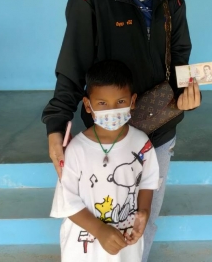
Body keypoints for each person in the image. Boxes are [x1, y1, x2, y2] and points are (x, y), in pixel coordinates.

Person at [42, 0, 201, 261]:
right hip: (105, 134)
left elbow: (180, 59)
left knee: (143, 220)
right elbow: (71, 67)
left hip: (157, 132)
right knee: (100, 219)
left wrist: (187, 94)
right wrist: (56, 124)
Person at [51, 60, 160, 261]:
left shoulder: (141, 144)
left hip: (126, 246)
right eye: (102, 103)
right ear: (88, 105)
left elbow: (147, 183)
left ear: (133, 101)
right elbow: (66, 201)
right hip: (83, 252)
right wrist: (100, 230)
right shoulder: (76, 149)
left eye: (120, 101)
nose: (112, 109)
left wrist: (144, 212)